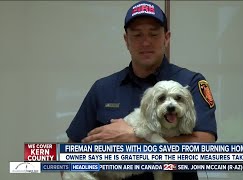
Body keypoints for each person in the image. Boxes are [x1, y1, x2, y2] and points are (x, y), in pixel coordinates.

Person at [66, 1, 217, 179]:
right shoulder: (102, 88)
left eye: (153, 34)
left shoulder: (191, 82)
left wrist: (137, 139)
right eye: (137, 35)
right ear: (126, 40)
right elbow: (70, 153)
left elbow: (204, 146)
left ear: (166, 38)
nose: (146, 42)